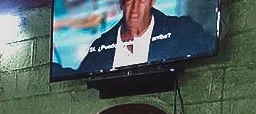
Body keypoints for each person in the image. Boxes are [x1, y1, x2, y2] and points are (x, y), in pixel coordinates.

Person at [78, 0, 215, 74]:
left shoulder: (181, 30)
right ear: (121, 3)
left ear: (152, 1)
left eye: (141, 1)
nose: (134, 10)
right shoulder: (100, 47)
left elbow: (211, 46)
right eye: (129, 2)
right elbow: (79, 79)